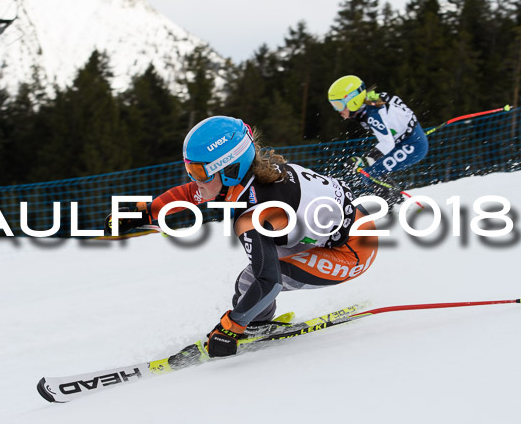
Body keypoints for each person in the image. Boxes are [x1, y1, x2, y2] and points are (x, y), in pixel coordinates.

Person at [105, 116, 378, 358]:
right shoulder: (239, 181)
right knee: (253, 278)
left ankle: (254, 324)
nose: (193, 178)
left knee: (256, 279)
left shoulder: (256, 211)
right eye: (190, 169)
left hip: (353, 251)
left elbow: (268, 281)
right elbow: (190, 194)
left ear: (230, 169)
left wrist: (231, 327)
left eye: (199, 171)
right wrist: (144, 213)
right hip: (336, 230)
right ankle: (257, 322)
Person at [327, 75, 428, 203]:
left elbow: (387, 143)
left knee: (370, 172)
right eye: (334, 105)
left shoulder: (372, 115)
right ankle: (397, 202)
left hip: (413, 145)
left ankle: (393, 206)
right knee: (372, 171)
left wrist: (362, 161)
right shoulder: (371, 100)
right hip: (407, 140)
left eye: (338, 105)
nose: (337, 110)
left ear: (352, 100)